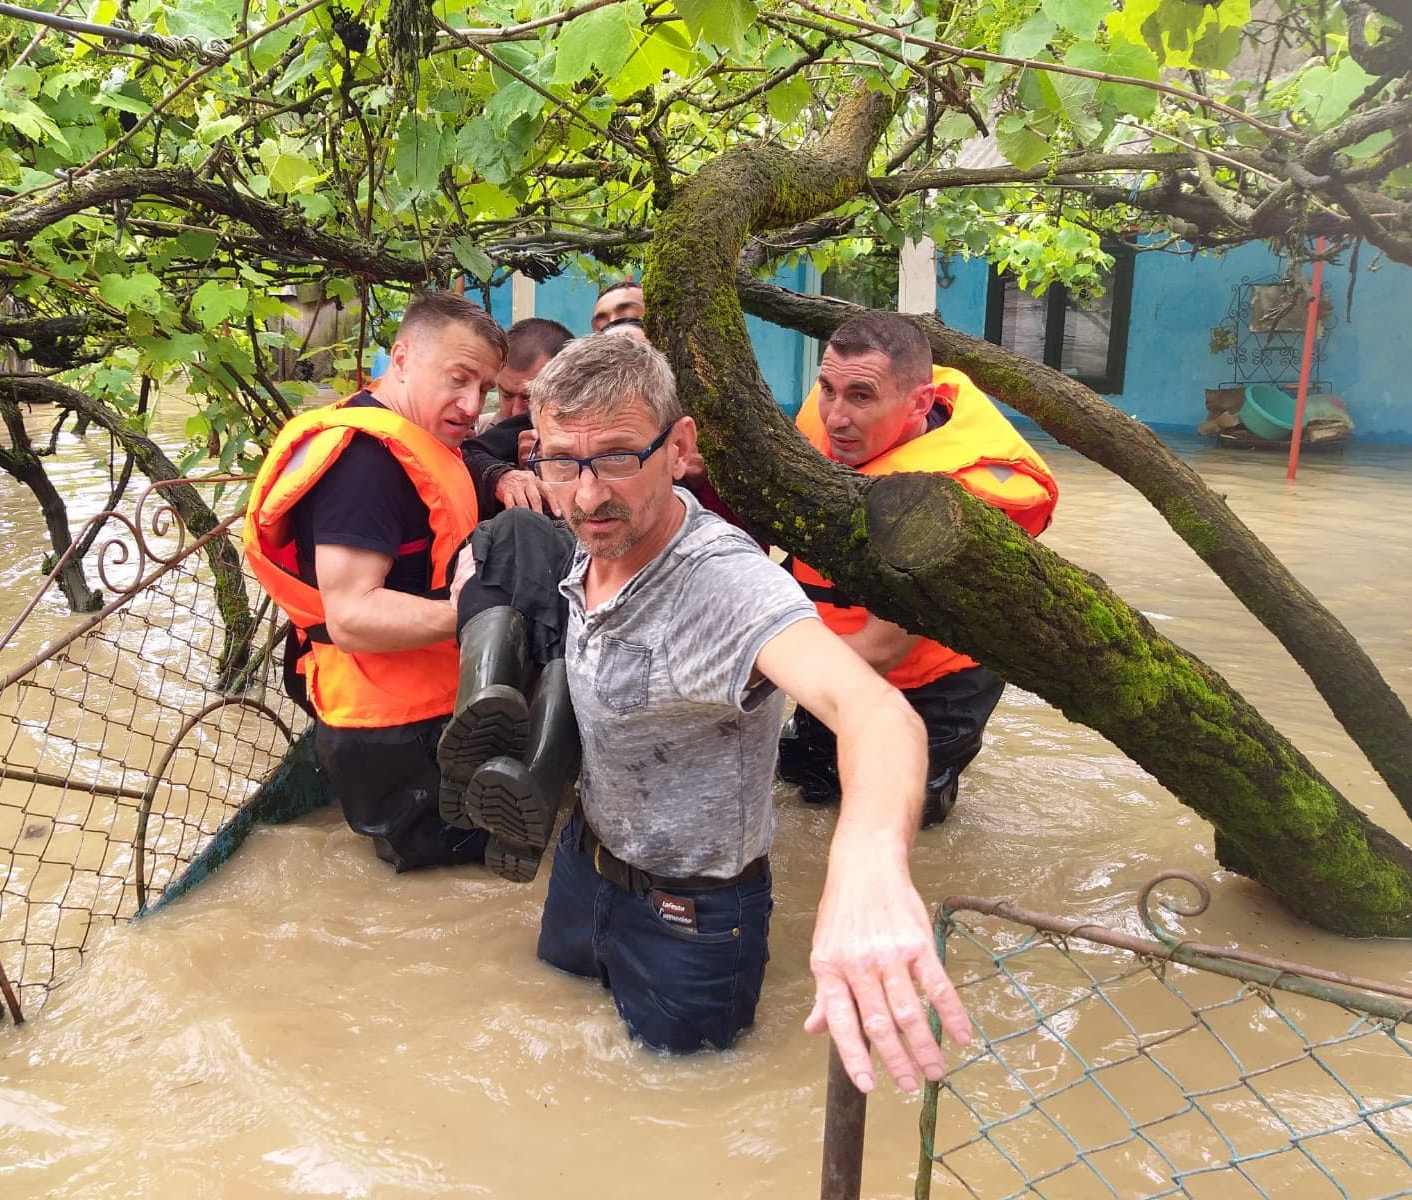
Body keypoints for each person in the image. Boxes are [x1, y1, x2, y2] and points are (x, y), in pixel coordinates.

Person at [444, 335, 970, 1093]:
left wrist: (867, 865)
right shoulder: (587, 535)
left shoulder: (727, 586)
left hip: (689, 916)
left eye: (621, 457)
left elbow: (873, 711)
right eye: (563, 462)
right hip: (581, 867)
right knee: (556, 1044)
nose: (589, 494)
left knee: (685, 1098)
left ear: (678, 447)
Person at [244, 291, 508, 872]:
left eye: (484, 389)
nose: (471, 404)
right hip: (390, 728)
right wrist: (485, 615)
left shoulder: (413, 433)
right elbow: (352, 616)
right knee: (441, 895)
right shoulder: (364, 466)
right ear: (403, 358)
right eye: (459, 379)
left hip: (418, 708)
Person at [779, 312, 1059, 826]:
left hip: (937, 686)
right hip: (831, 651)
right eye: (827, 389)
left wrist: (748, 666)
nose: (836, 417)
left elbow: (881, 652)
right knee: (804, 781)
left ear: (921, 404)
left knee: (903, 819)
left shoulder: (958, 499)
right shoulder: (832, 423)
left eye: (861, 397)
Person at [463, 317, 571, 518]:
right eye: (506, 395)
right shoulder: (479, 427)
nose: (515, 411)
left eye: (529, 398)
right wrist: (499, 475)